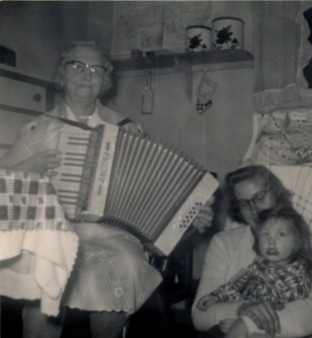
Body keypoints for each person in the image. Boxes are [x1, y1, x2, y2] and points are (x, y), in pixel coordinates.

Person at [0, 40, 214, 338]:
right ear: (62, 74)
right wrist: (30, 166)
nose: (87, 75)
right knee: (44, 275)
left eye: (96, 69)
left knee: (124, 265)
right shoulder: (39, 128)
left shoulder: (126, 129)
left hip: (111, 233)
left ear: (105, 80)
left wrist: (188, 214)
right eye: (77, 66)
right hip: (51, 229)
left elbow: (151, 187)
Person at [192, 165, 312, 338]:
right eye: (244, 203)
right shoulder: (223, 242)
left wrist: (246, 324)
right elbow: (200, 314)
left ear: (277, 194)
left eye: (259, 197)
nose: (254, 209)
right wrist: (242, 309)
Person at [197, 205, 312, 337]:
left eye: (281, 234)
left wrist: (244, 323)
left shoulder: (298, 275)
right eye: (265, 234)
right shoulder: (257, 264)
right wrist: (217, 296)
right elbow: (236, 285)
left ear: (296, 242)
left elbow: (279, 312)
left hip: (273, 330)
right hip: (246, 319)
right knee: (212, 332)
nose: (271, 241)